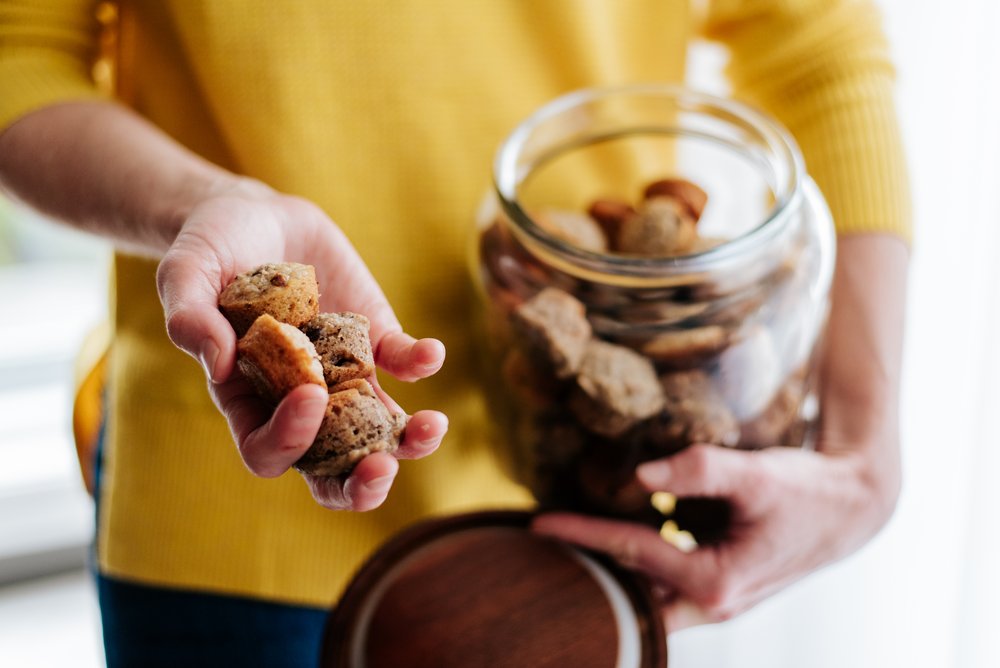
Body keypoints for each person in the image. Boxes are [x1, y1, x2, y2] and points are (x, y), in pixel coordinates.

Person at [0, 0, 910, 664]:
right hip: (224, 518)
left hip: (586, 489)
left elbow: (820, 51)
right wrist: (209, 204)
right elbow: (19, 53)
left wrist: (864, 453)